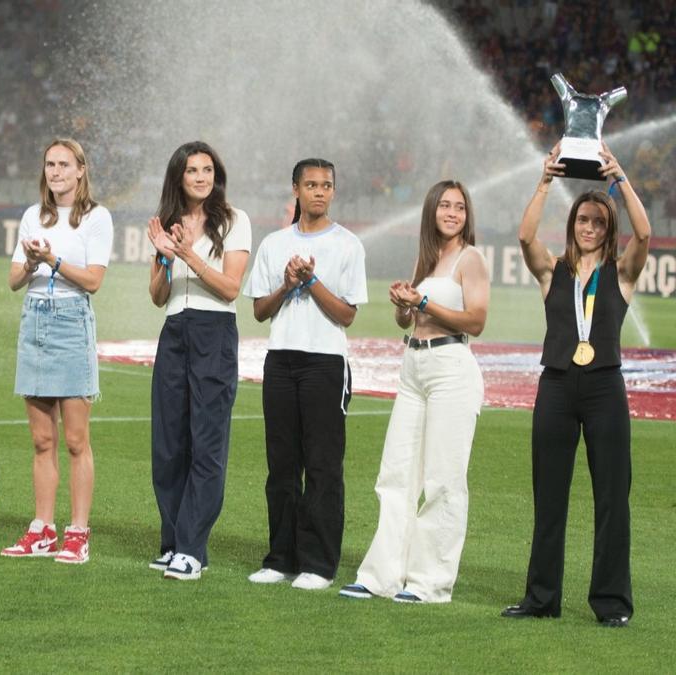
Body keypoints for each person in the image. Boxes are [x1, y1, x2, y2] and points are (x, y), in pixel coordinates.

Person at [502, 143, 649, 628]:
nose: (589, 228)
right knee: (549, 494)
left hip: (606, 388)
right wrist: (544, 181)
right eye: (583, 220)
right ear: (572, 225)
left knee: (611, 497)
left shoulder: (621, 274)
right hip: (558, 386)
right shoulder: (554, 271)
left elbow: (644, 233)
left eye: (598, 223)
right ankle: (542, 598)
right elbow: (525, 237)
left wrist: (620, 178)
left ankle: (611, 603)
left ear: (609, 230)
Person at [339, 180, 488, 603]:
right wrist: (405, 305)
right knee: (395, 473)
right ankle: (380, 576)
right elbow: (408, 323)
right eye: (445, 205)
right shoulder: (427, 258)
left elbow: (475, 321)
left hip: (451, 369)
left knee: (443, 479)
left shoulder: (470, 257)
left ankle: (430, 583)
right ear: (431, 211)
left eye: (460, 207)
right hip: (414, 365)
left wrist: (422, 303)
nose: (453, 212)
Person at [243, 158, 367, 590]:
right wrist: (286, 284)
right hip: (280, 360)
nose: (319, 192)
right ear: (294, 189)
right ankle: (280, 557)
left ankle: (318, 564)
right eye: (311, 184)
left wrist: (310, 281)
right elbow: (260, 311)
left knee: (322, 466)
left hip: (325, 362)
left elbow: (347, 315)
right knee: (281, 465)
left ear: (334, 191)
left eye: (326, 185)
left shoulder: (348, 245)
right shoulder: (274, 244)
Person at [0, 139, 112, 564]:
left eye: (65, 164)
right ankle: (42, 528)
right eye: (50, 163)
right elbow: (13, 279)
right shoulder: (34, 215)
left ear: (81, 170)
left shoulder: (97, 217)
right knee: (41, 439)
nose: (56, 171)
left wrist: (53, 258)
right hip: (34, 319)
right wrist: (31, 263)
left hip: (70, 321)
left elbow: (94, 280)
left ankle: (78, 532)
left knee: (76, 440)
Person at [145, 141, 251, 581]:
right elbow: (156, 296)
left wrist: (188, 253)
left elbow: (230, 288)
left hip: (214, 332)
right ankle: (174, 543)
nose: (202, 177)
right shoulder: (168, 224)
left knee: (207, 444)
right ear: (179, 177)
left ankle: (192, 548)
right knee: (169, 446)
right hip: (174, 330)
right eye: (193, 171)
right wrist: (167, 259)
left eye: (208, 169)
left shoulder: (235, 221)